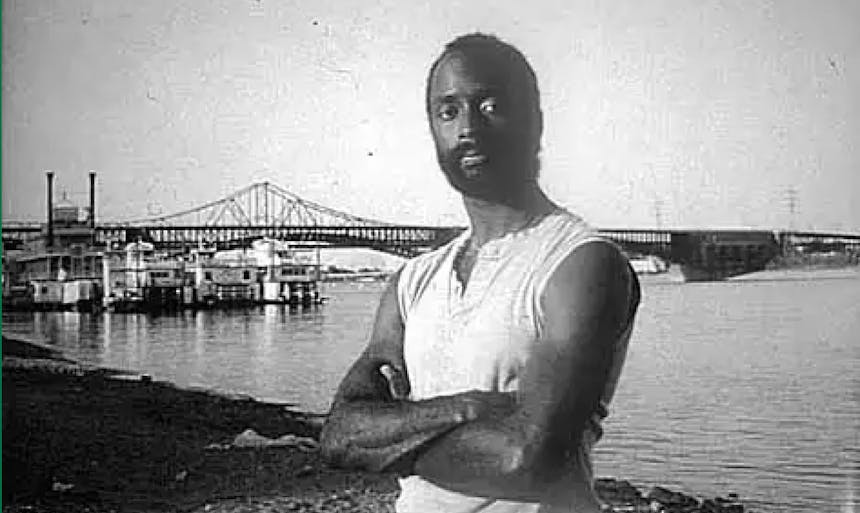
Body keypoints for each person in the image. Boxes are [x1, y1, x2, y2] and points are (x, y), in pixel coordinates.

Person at [320, 33, 641, 513]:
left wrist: (383, 442)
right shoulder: (412, 282)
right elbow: (339, 435)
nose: (468, 127)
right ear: (432, 129)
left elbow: (526, 461)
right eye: (448, 111)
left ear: (535, 122)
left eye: (490, 105)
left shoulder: (580, 264)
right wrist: (466, 408)